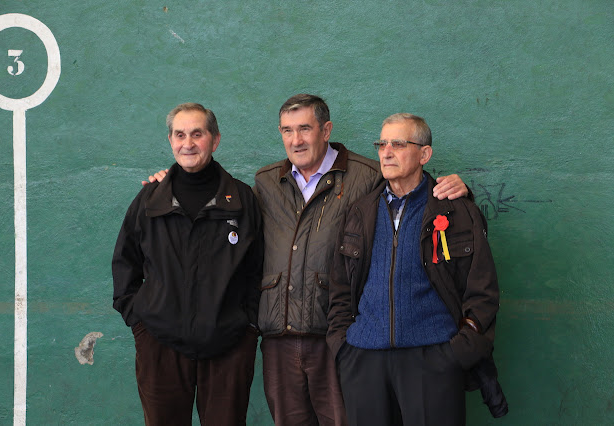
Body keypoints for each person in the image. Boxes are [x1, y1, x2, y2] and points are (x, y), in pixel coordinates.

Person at [147, 94, 469, 426]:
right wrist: (170, 181)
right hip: (278, 339)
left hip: (334, 335)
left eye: (305, 128)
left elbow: (413, 193)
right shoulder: (266, 182)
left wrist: (458, 188)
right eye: (287, 130)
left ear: (326, 130)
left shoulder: (368, 175)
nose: (296, 140)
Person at [327, 113, 503, 426]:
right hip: (364, 360)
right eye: (381, 143)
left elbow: (483, 290)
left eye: (398, 143)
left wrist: (458, 352)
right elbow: (340, 285)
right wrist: (344, 345)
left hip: (433, 360)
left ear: (424, 154)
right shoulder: (361, 211)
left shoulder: (457, 210)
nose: (386, 151)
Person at [112, 102, 263, 426]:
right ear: (170, 140)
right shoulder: (151, 200)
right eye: (180, 135)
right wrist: (138, 320)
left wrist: (249, 325)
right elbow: (125, 261)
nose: (188, 143)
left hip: (229, 346)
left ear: (215, 139)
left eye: (197, 134)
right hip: (160, 347)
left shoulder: (241, 199)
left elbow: (258, 268)